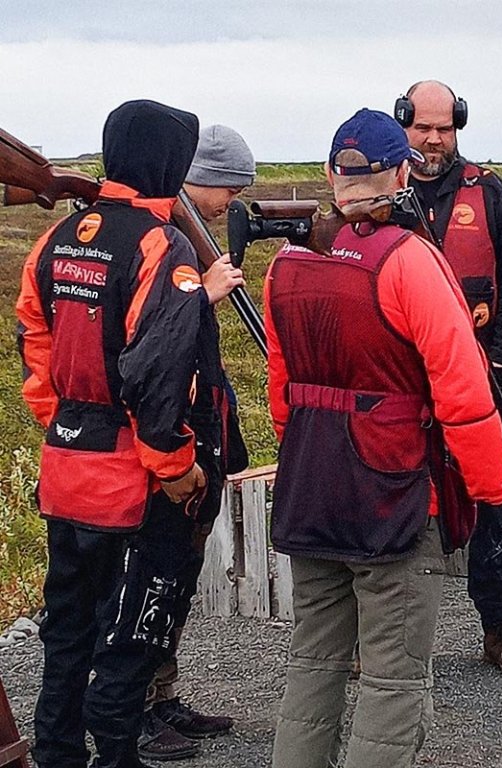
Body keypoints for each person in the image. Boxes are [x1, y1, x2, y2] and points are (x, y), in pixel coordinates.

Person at [266, 108, 502, 768]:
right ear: (401, 172)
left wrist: (303, 456)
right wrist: (492, 491)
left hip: (311, 490)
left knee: (312, 662)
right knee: (393, 681)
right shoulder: (408, 262)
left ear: (330, 175)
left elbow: (282, 392)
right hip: (393, 496)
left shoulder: (285, 263)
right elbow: (464, 395)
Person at [16, 99, 244, 768]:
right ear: (172, 163)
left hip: (66, 461)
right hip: (133, 477)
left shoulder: (57, 237)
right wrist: (176, 469)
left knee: (66, 630)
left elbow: (32, 335)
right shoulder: (160, 245)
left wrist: (58, 419)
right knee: (133, 633)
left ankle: (57, 753)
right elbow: (160, 369)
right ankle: (116, 754)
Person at [394, 80, 502, 675]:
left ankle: (501, 629)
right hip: (402, 391)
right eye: (423, 126)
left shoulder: (489, 192)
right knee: (395, 506)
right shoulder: (380, 191)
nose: (433, 138)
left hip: (484, 382)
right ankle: (383, 641)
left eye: (445, 128)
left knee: (494, 504)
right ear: (403, 123)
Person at [138, 124, 254, 762]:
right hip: (171, 433)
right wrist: (201, 296)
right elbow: (150, 351)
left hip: (200, 421)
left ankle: (160, 694)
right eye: (227, 188)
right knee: (152, 575)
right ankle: (135, 706)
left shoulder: (185, 234)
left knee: (177, 573)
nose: (231, 202)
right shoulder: (161, 240)